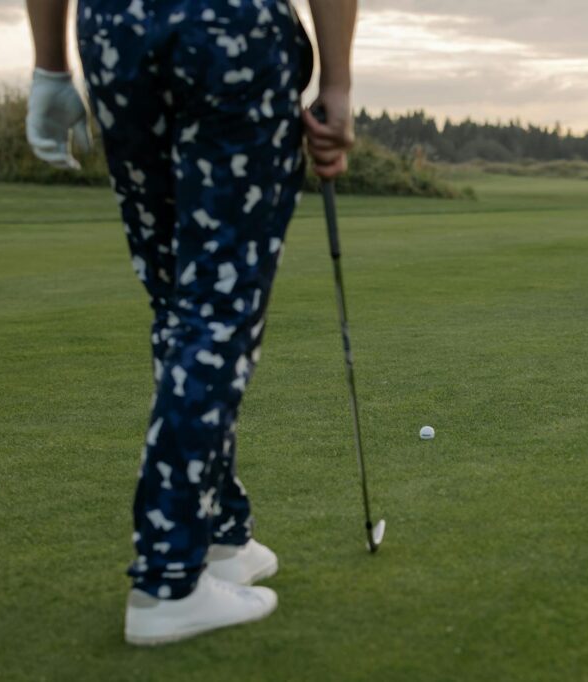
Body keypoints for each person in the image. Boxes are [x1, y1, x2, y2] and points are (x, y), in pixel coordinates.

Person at [25, 0, 357, 646]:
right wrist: (337, 82)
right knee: (214, 305)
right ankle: (167, 578)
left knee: (179, 298)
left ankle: (220, 537)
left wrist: (49, 68)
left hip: (114, 30)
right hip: (227, 29)